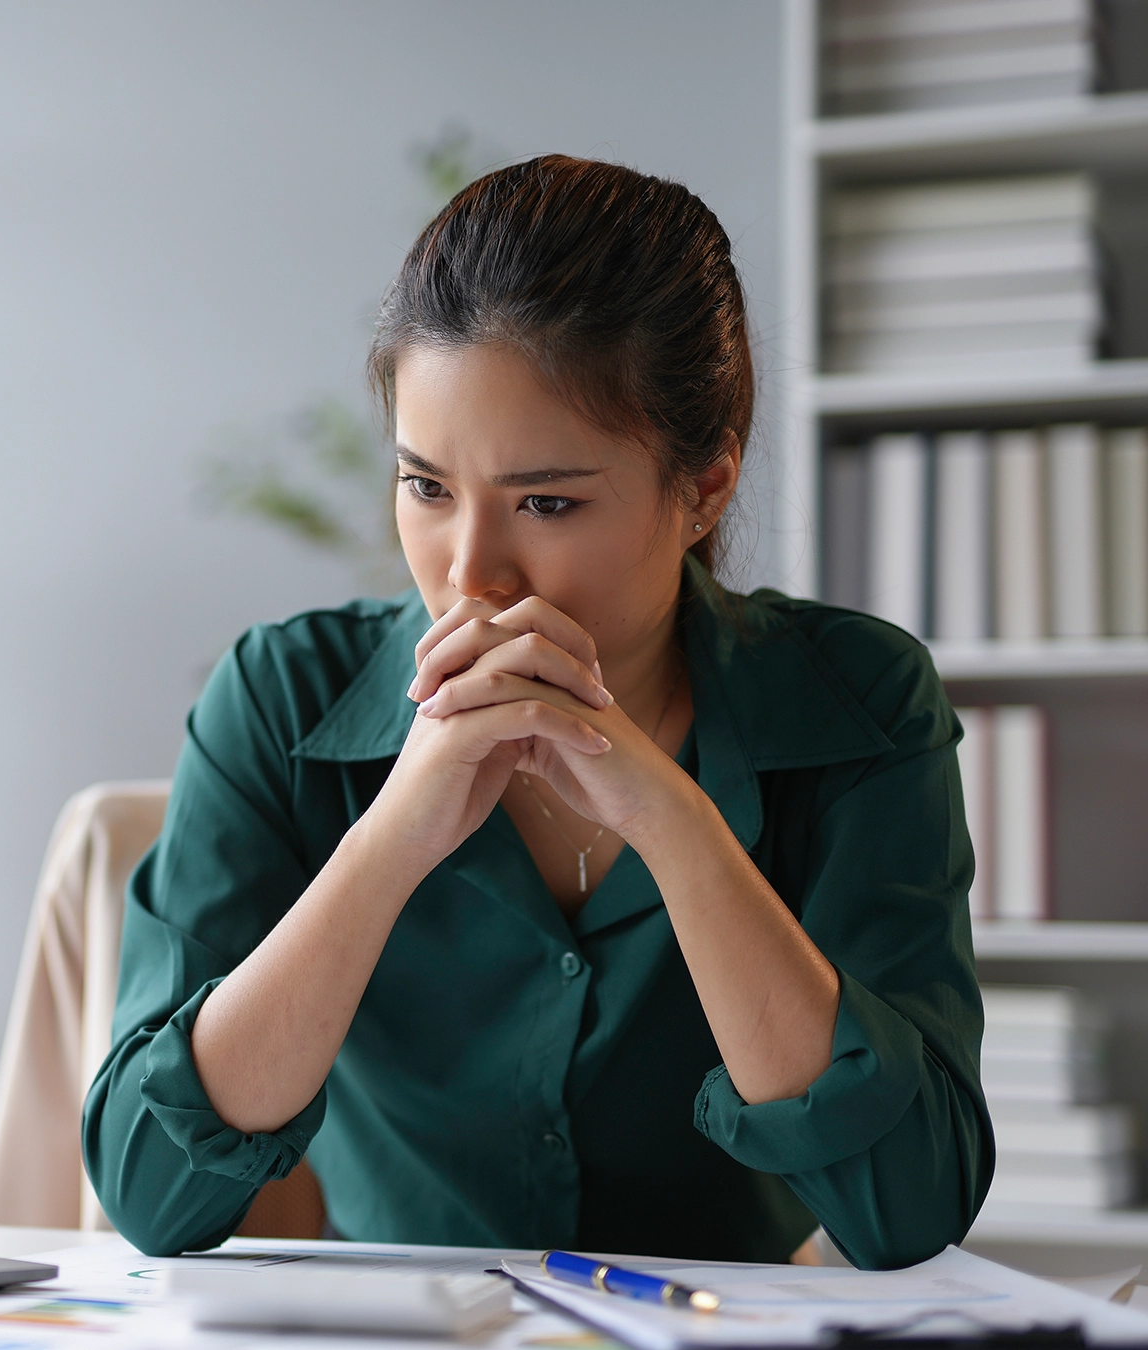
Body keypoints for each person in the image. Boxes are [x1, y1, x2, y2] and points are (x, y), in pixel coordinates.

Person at [81, 155, 991, 1269]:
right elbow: (148, 1189)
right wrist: (390, 841)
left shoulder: (858, 702)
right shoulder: (279, 697)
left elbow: (909, 1207)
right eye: (425, 488)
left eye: (546, 502)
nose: (471, 575)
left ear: (701, 485)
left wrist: (673, 823)